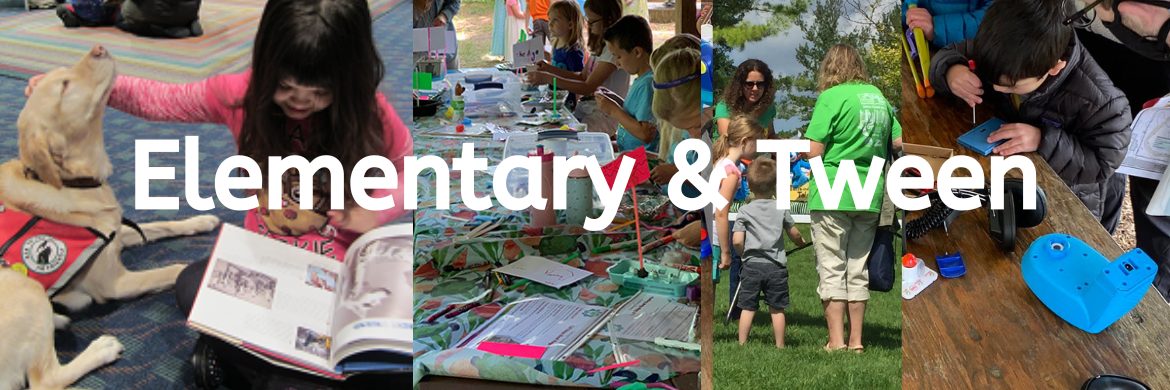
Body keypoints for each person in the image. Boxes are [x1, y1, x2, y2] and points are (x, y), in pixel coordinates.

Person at [28, 0, 411, 387]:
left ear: (351, 79)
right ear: (265, 64)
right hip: (266, 269)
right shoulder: (240, 95)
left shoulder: (370, 114)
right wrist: (75, 87)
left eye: (319, 92)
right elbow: (159, 100)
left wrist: (375, 209)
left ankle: (247, 368)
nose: (300, 101)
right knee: (193, 284)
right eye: (285, 86)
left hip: (340, 279)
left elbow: (407, 171)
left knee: (401, 350)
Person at [928, 0, 1131, 224]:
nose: (996, 88)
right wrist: (952, 70)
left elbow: (1103, 164)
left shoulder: (1103, 103)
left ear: (1054, 68)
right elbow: (951, 52)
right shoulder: (1000, 47)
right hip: (1011, 185)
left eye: (1011, 86)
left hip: (1069, 207)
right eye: (992, 80)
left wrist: (1043, 139)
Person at [805, 44, 901, 353]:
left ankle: (836, 341)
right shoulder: (879, 98)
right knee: (857, 268)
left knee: (832, 266)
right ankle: (857, 342)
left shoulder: (830, 97)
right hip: (869, 191)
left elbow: (814, 151)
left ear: (829, 67)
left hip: (833, 188)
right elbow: (898, 142)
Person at [1074, 0, 1170, 300]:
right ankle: (1098, 249)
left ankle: (1152, 304)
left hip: (1158, 95)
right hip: (1093, 64)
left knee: (1156, 206)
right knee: (1098, 174)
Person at [731, 157, 808, 348]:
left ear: (748, 183)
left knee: (747, 307)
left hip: (751, 267)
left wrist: (743, 254)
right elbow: (795, 233)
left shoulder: (745, 211)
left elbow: (737, 240)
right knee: (777, 308)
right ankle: (780, 345)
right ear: (775, 184)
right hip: (776, 267)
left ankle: (742, 343)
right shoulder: (781, 208)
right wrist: (800, 243)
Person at [525, 0, 629, 136]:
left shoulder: (612, 51)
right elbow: (581, 76)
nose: (588, 26)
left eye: (592, 21)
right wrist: (547, 68)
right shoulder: (601, 45)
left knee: (570, 138)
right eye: (588, 20)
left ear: (608, 20)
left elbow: (587, 87)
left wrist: (548, 78)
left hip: (604, 114)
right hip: (587, 107)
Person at [596, 15, 659, 152]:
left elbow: (645, 134)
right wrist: (615, 99)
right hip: (628, 152)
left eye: (619, 56)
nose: (617, 63)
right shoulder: (642, 80)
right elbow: (637, 113)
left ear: (637, 52)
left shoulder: (648, 84)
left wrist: (613, 109)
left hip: (642, 161)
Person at [712, 116, 766, 275]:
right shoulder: (732, 173)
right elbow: (721, 212)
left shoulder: (719, 162)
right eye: (756, 144)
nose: (758, 150)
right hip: (714, 238)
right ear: (744, 141)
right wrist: (725, 252)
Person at [715, 60, 777, 140]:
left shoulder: (769, 107)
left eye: (760, 84)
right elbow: (730, 141)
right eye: (749, 84)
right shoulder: (725, 106)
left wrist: (787, 145)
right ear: (740, 85)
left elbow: (770, 135)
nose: (755, 89)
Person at [902, 0, 992, 48]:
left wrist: (937, 26)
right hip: (914, 41)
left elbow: (996, 17)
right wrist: (906, 13)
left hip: (968, 54)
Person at [546, 1, 586, 101]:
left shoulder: (573, 50)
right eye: (549, 19)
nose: (550, 24)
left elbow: (579, 76)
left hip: (566, 100)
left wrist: (548, 70)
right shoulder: (556, 43)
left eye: (555, 20)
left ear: (570, 24)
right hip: (554, 96)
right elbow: (558, 62)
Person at [414, 0, 461, 70]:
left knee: (449, 79)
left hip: (445, 52)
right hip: (414, 56)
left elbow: (454, 1)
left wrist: (444, 15)